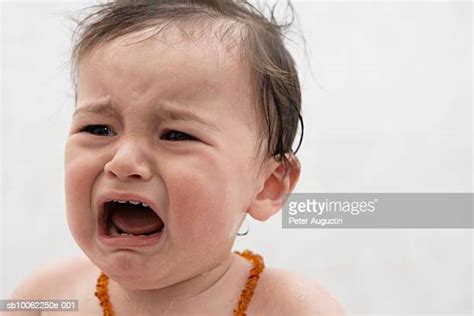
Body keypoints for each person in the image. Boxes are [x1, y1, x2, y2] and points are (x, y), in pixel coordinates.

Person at [8, 1, 344, 315]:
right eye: (98, 129)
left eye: (176, 135)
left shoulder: (288, 307)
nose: (123, 162)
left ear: (267, 185)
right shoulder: (49, 296)